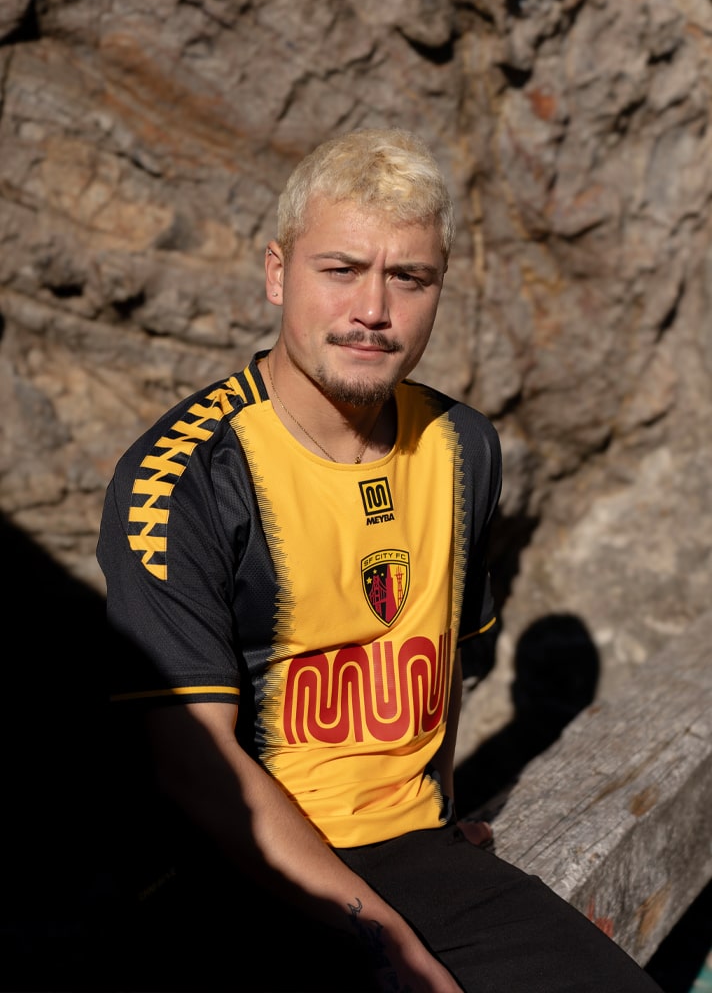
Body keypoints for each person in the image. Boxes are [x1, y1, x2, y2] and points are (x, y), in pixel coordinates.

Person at [98, 128, 661, 993]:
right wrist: (385, 942)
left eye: (409, 278)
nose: (373, 309)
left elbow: (441, 654)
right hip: (239, 873)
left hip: (417, 856)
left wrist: (436, 809)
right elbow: (190, 760)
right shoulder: (183, 476)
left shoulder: (462, 445)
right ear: (277, 273)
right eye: (341, 269)